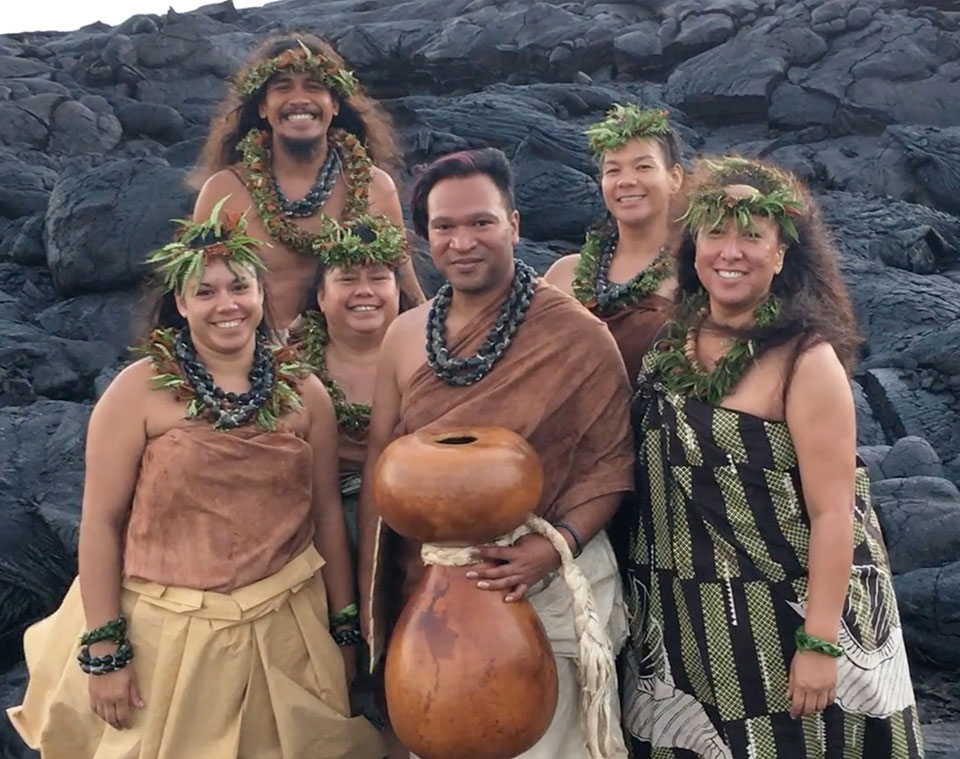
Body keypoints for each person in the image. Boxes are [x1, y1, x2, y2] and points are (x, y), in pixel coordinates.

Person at [6, 202, 385, 759]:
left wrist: (345, 626)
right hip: (162, 636)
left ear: (262, 295)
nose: (226, 304)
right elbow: (102, 522)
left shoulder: (306, 395)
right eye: (205, 292)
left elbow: (326, 513)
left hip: (285, 631)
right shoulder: (136, 393)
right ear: (180, 304)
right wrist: (105, 648)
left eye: (239, 287)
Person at [620, 157, 923, 758]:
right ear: (694, 245)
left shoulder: (805, 361)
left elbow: (836, 513)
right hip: (682, 624)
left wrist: (820, 643)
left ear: (782, 254)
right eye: (716, 233)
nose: (731, 251)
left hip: (783, 619)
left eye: (753, 236)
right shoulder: (667, 347)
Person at [357, 148, 635, 759]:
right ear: (424, 238)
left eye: (481, 222)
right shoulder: (405, 336)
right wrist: (371, 616)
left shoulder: (577, 335)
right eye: (444, 227)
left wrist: (549, 547)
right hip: (433, 599)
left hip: (548, 589)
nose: (463, 241)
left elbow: (611, 467)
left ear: (513, 223)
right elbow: (382, 475)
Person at [191, 33, 424, 331]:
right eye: (282, 87)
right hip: (257, 360)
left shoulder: (374, 187)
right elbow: (196, 294)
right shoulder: (224, 191)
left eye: (314, 87)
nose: (299, 99)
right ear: (262, 107)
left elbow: (406, 290)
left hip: (349, 353)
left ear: (335, 105)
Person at [545, 104, 684, 386]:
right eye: (613, 170)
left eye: (643, 166)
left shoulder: (698, 274)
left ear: (675, 178)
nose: (627, 181)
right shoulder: (563, 275)